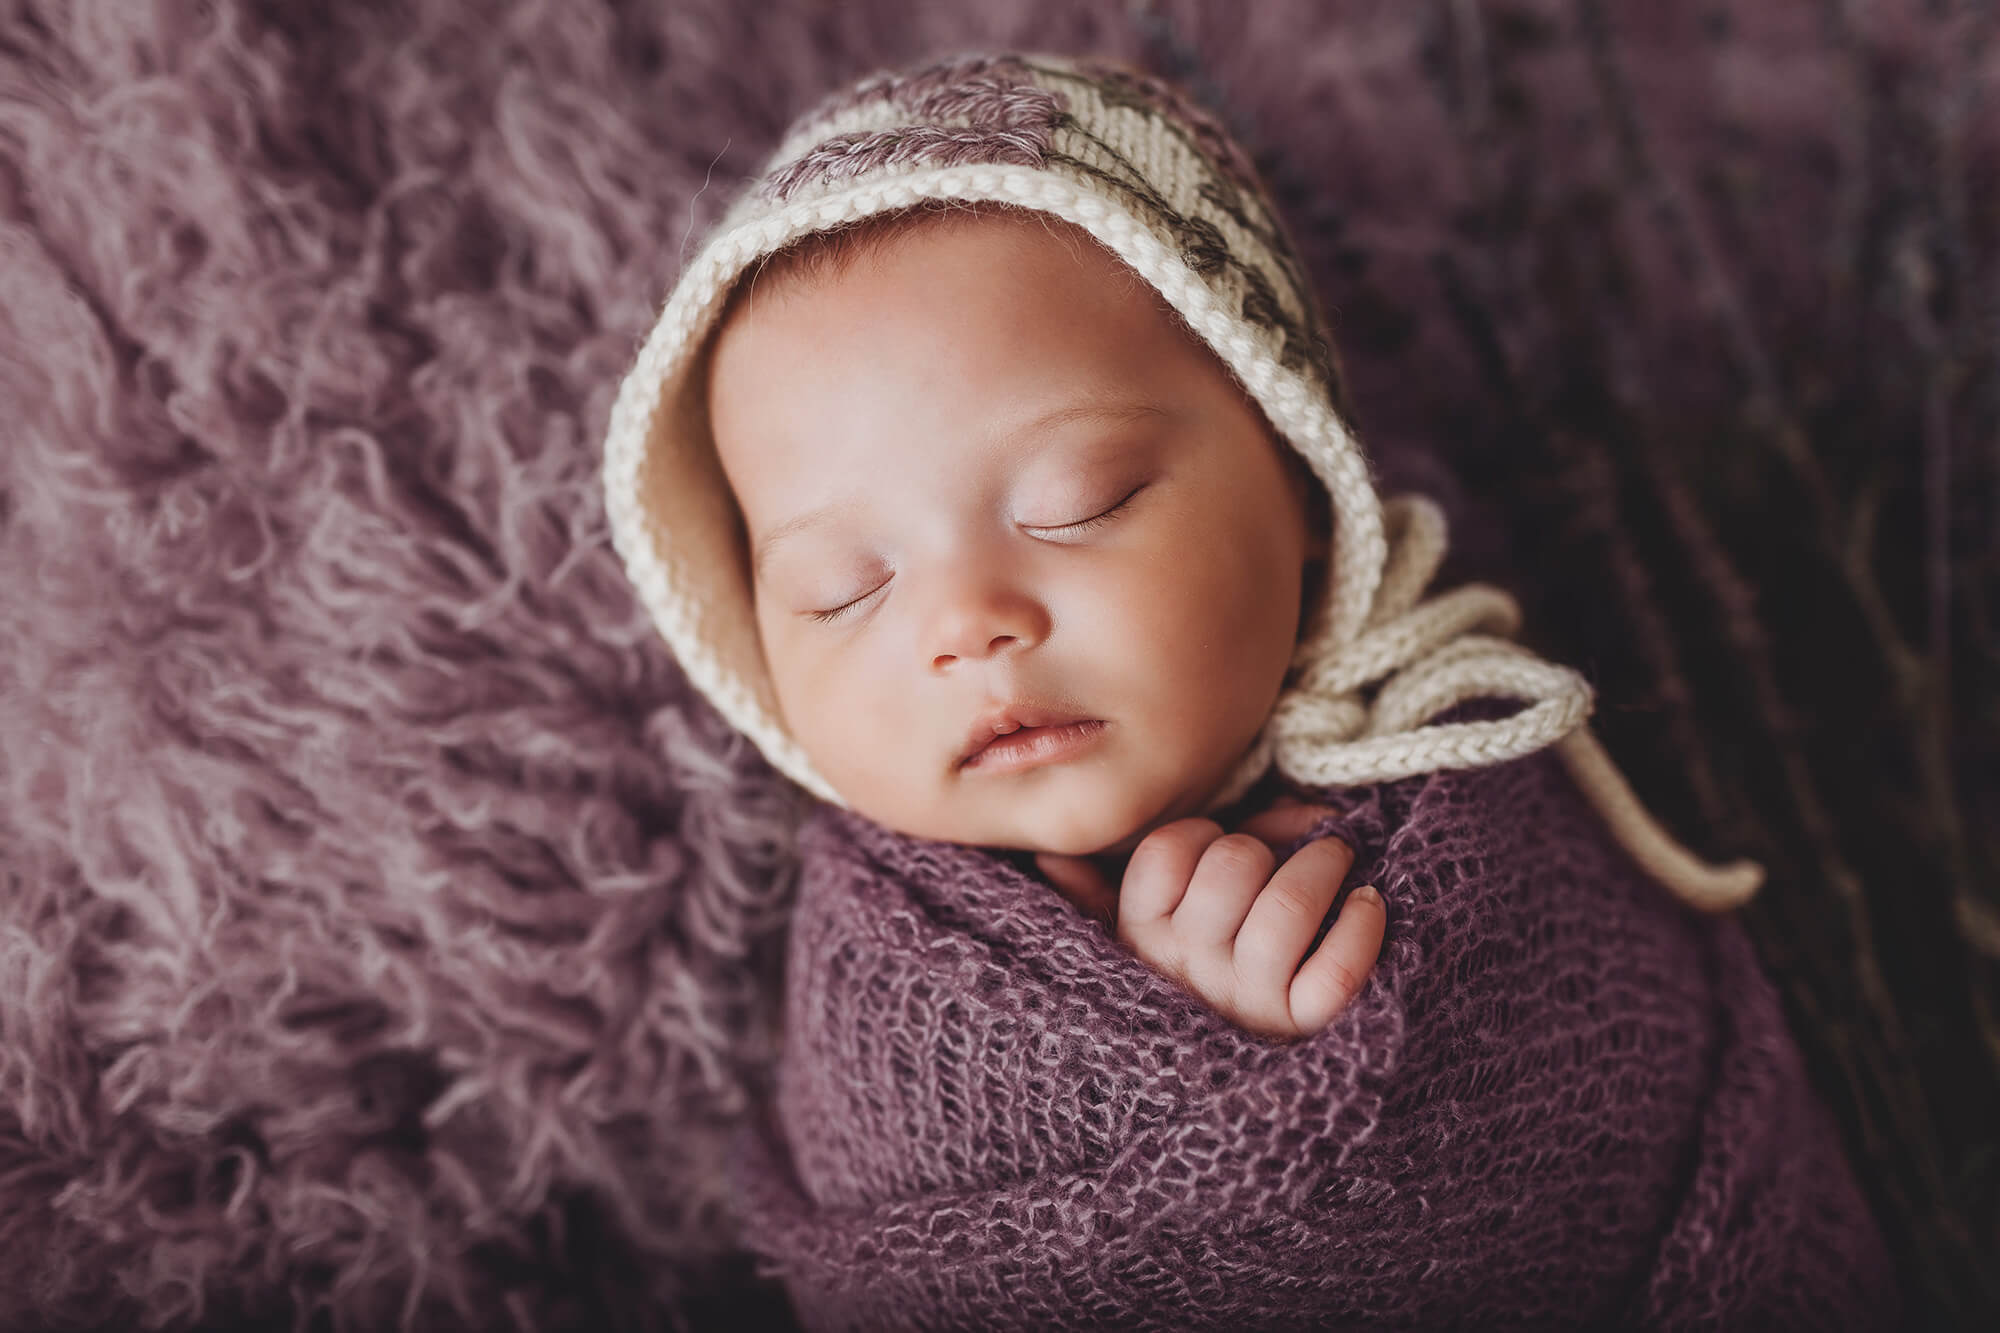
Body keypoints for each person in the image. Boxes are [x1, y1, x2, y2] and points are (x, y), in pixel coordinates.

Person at [601, 50, 1899, 1329]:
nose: (968, 625)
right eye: (843, 587)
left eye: (1080, 504)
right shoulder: (874, 987)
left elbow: (1606, 1112)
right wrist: (1178, 1062)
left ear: (1304, 487)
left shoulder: (1469, 780)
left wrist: (1299, 1058)